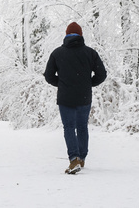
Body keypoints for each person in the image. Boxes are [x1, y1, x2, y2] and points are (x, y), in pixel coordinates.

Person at [43, 21, 107, 174]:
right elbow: (102, 74)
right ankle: (82, 157)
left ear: (66, 35)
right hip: (84, 96)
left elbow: (48, 76)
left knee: (69, 128)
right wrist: (88, 83)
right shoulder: (90, 53)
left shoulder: (57, 53)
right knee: (82, 127)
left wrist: (62, 84)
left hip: (65, 98)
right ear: (81, 35)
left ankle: (74, 159)